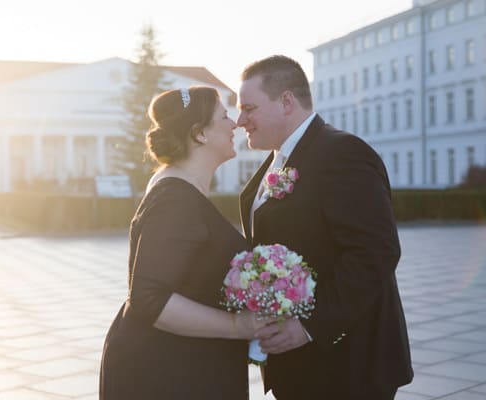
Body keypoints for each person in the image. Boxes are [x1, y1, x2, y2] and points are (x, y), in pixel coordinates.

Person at [237, 55, 413, 399]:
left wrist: (308, 326)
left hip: (347, 367)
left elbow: (375, 251)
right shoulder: (275, 162)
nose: (240, 119)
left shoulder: (342, 153)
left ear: (286, 101)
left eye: (249, 108)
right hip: (299, 366)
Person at [99, 86, 266, 399]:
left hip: (182, 364)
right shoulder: (174, 198)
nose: (235, 125)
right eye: (225, 116)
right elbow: (149, 298)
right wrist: (237, 326)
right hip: (165, 372)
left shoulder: (178, 186)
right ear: (199, 134)